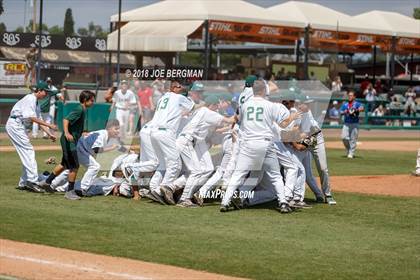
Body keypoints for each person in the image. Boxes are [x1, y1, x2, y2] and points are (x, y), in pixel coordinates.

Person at [220, 79, 300, 214]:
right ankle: (283, 203)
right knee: (275, 176)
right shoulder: (270, 105)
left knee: (238, 175)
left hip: (248, 143)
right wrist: (292, 117)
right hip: (265, 143)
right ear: (263, 91)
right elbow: (283, 125)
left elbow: (239, 120)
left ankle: (225, 202)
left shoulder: (244, 105)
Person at [176, 95, 234, 207]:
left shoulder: (201, 110)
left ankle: (175, 189)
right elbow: (228, 120)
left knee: (207, 169)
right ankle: (183, 198)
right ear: (211, 105)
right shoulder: (208, 112)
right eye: (216, 105)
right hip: (188, 141)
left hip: (189, 140)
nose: (217, 108)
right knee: (195, 171)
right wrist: (239, 116)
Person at [39, 90, 96, 199]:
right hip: (69, 142)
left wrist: (82, 132)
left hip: (71, 141)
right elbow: (66, 120)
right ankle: (70, 192)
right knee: (75, 166)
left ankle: (46, 182)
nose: (93, 102)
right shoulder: (79, 109)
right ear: (85, 100)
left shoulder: (83, 110)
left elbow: (74, 124)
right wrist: (66, 132)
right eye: (91, 100)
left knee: (64, 164)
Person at [149, 80, 196, 205]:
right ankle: (161, 190)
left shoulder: (162, 98)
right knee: (176, 164)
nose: (182, 88)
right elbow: (193, 107)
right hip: (166, 132)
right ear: (174, 88)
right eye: (180, 87)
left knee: (163, 164)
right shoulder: (178, 97)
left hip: (153, 132)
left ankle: (153, 188)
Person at [6, 81, 57, 192]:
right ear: (39, 91)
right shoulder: (31, 99)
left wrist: (49, 133)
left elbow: (39, 119)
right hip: (15, 124)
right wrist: (49, 125)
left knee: (26, 153)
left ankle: (23, 183)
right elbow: (31, 118)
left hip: (17, 125)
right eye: (45, 92)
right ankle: (32, 181)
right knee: (29, 151)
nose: (46, 94)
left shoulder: (36, 102)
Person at [76, 119, 123, 196]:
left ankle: (54, 184)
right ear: (109, 128)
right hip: (80, 148)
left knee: (69, 168)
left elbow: (118, 146)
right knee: (95, 166)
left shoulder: (106, 135)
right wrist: (111, 148)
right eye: (116, 129)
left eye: (118, 129)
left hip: (80, 147)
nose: (118, 131)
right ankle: (83, 188)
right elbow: (96, 149)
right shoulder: (103, 135)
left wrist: (129, 151)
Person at [340, 90, 364, 158]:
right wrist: (345, 111)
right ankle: (348, 149)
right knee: (344, 137)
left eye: (351, 95)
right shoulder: (345, 104)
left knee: (353, 139)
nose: (349, 97)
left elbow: (362, 108)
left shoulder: (357, 103)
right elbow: (341, 112)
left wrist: (356, 110)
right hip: (346, 123)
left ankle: (351, 153)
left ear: (354, 97)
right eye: (349, 95)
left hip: (354, 123)